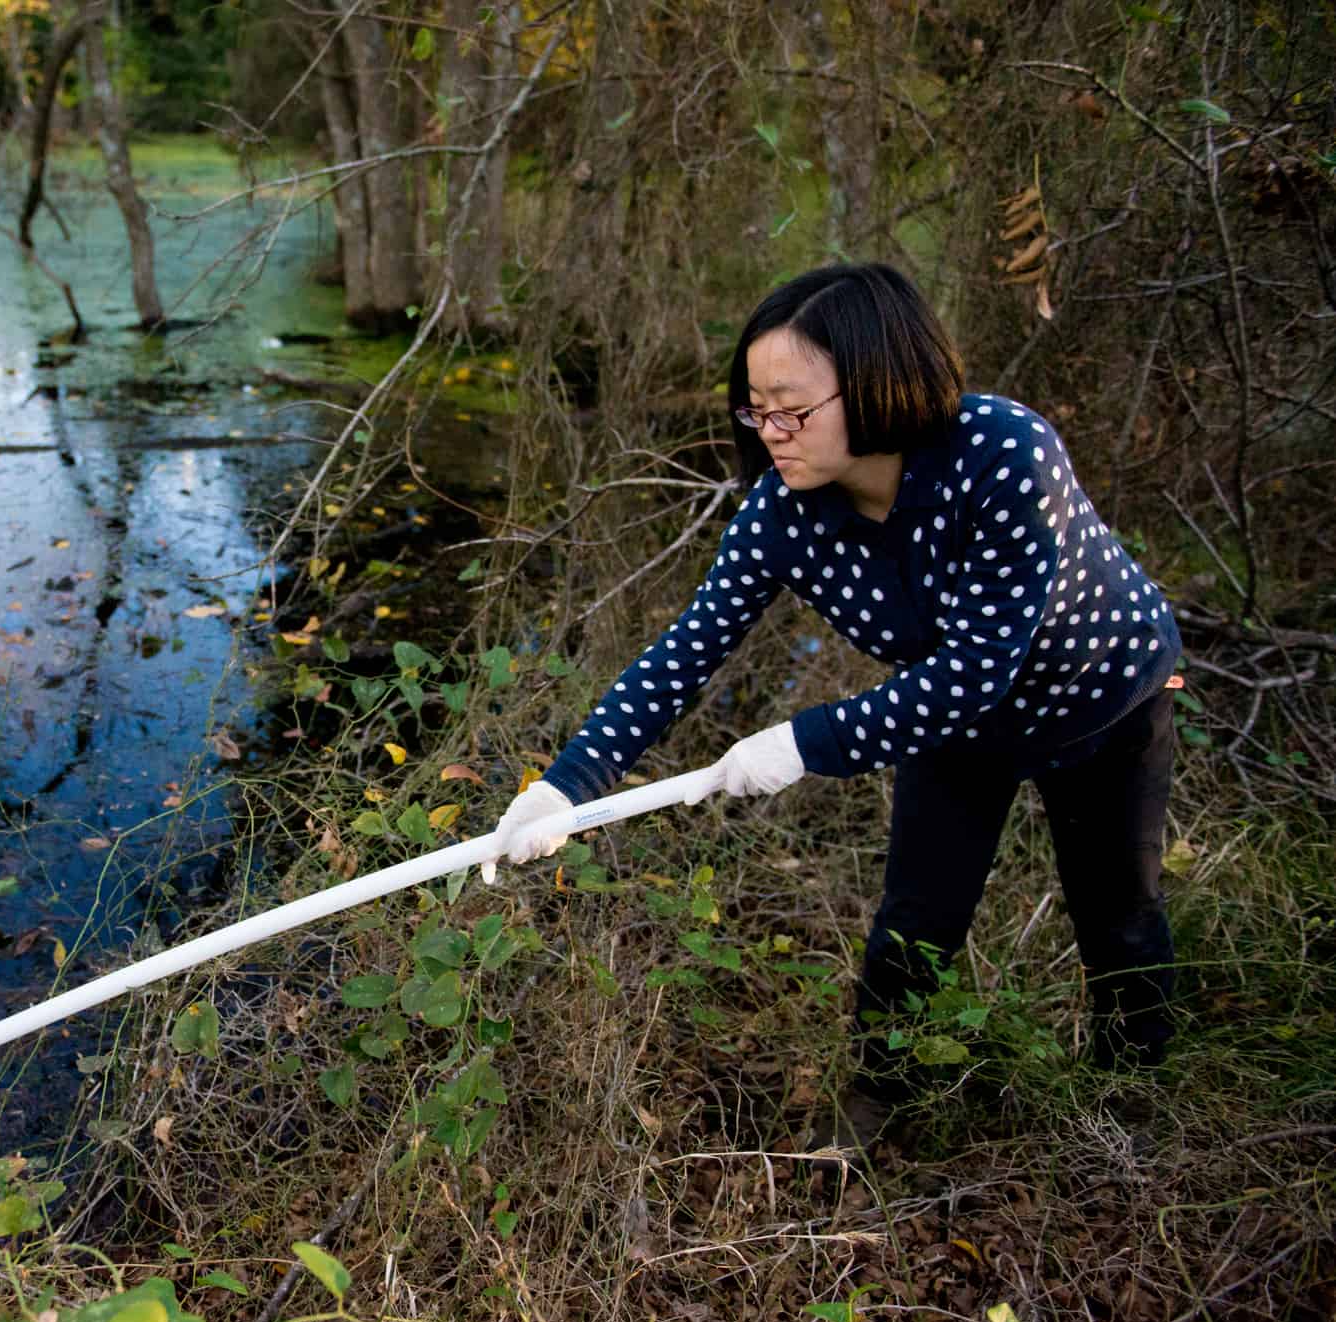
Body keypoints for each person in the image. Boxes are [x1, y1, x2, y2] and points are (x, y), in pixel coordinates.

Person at [477, 263, 1182, 1146]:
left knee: (1118, 913)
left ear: (882, 381)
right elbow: (686, 651)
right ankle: (885, 1101)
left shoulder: (1005, 453)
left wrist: (804, 741)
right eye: (753, 409)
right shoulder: (786, 511)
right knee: (915, 921)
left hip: (1101, 699)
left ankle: (1133, 1097)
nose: (770, 433)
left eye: (792, 410)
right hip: (948, 722)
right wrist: (568, 785)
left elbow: (975, 669)